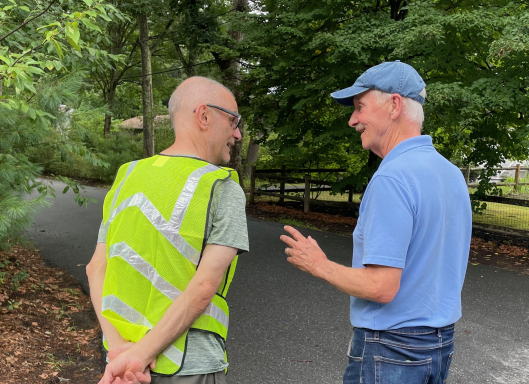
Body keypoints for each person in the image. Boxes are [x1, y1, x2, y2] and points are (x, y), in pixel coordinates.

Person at [280, 61, 472, 384]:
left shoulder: (392, 178)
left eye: (359, 107)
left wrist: (318, 264)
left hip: (392, 351)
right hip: (440, 347)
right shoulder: (452, 175)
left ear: (394, 105)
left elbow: (381, 287)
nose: (353, 120)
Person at [86, 76, 249, 384]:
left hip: (125, 366)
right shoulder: (222, 187)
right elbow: (203, 288)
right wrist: (139, 356)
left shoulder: (126, 176)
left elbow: (96, 268)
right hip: (189, 368)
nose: (237, 133)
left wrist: (122, 351)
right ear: (203, 116)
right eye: (233, 120)